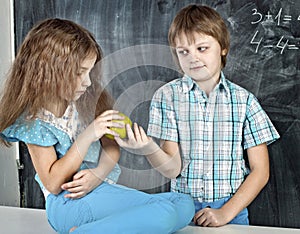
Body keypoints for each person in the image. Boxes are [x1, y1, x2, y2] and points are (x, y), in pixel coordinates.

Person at [0, 18, 195, 233]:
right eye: (78, 73)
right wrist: (88, 135)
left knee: (184, 204)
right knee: (165, 213)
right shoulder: (35, 121)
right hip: (68, 203)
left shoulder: (87, 100)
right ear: (48, 70)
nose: (88, 82)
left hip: (101, 190)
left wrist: (99, 173)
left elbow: (111, 146)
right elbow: (53, 183)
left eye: (89, 72)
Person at [115, 4, 280, 227]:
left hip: (232, 210)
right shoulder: (167, 97)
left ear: (222, 47)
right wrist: (148, 148)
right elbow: (173, 168)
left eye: (202, 48)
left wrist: (224, 213)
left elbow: (260, 171)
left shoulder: (244, 101)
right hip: (182, 209)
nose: (193, 58)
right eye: (184, 51)